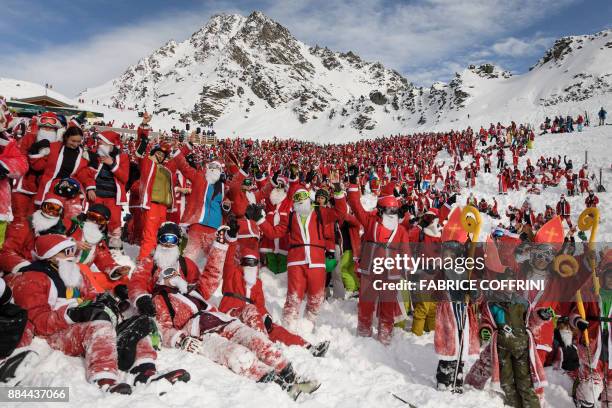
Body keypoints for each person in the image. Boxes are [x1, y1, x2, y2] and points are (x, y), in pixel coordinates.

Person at [128, 222, 319, 398]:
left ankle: (292, 376)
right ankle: (279, 386)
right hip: (198, 332)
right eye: (164, 239)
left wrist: (221, 246)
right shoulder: (155, 287)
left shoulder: (187, 274)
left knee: (257, 340)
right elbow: (139, 288)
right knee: (238, 356)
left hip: (217, 318)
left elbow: (208, 281)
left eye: (173, 240)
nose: (168, 244)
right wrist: (143, 300)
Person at [10, 235, 133, 393]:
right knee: (100, 325)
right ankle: (104, 377)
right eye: (66, 252)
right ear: (50, 255)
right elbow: (38, 322)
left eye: (73, 251)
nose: (72, 256)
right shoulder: (32, 278)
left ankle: (144, 369)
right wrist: (72, 314)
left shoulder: (73, 272)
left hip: (75, 323)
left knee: (131, 325)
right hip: (53, 334)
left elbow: (92, 295)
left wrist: (105, 302)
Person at [251, 186, 333, 330]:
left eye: (303, 197)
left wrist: (339, 194)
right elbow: (273, 232)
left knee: (316, 297)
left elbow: (340, 212)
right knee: (294, 297)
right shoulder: (290, 217)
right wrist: (259, 220)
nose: (300, 201)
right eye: (297, 199)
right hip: (296, 261)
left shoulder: (321, 213)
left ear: (309, 198)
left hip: (317, 261)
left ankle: (309, 326)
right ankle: (288, 326)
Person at [134, 113, 179, 259]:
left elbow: (180, 160)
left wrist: (182, 147)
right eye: (158, 154)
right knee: (150, 236)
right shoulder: (148, 164)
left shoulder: (166, 169)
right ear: (154, 153)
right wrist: (145, 126)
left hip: (163, 208)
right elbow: (139, 148)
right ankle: (143, 263)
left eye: (163, 155)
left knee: (161, 236)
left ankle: (156, 262)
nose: (160, 156)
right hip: (152, 205)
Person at [31, 126, 94, 206]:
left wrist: (90, 188)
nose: (75, 144)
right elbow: (38, 166)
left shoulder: (82, 155)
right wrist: (35, 152)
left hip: (70, 188)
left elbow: (83, 174)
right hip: (50, 187)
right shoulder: (53, 147)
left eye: (78, 141)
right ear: (66, 137)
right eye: (73, 141)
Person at [88, 130, 129, 249]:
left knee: (114, 222)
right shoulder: (95, 154)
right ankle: (91, 245)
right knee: (94, 219)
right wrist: (90, 189)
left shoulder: (122, 157)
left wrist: (112, 164)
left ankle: (114, 247)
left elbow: (124, 178)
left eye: (102, 142)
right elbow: (88, 174)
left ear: (110, 144)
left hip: (113, 197)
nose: (99, 144)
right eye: (99, 142)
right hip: (96, 194)